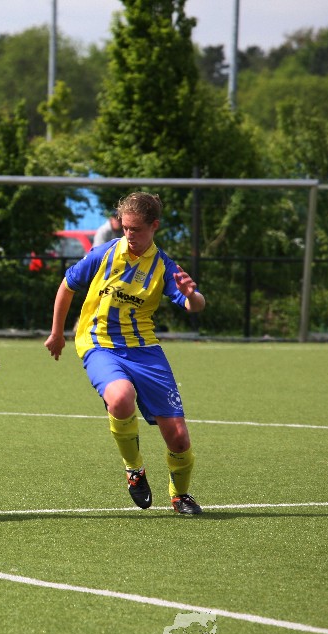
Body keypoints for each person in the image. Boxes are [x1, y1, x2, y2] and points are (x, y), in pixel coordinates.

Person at [44, 191, 206, 516]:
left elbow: (195, 305)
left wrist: (191, 295)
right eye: (125, 227)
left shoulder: (164, 266)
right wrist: (56, 333)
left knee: (178, 438)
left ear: (154, 226)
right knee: (120, 397)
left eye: (137, 229)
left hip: (145, 350)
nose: (129, 234)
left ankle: (180, 496)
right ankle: (134, 469)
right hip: (99, 343)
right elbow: (67, 285)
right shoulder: (104, 253)